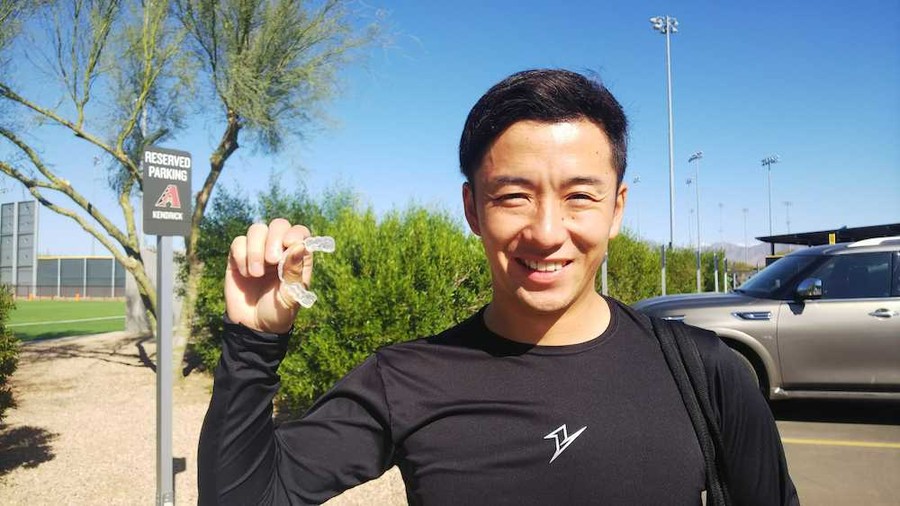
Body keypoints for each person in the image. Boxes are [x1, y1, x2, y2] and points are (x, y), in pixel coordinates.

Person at [198, 69, 799, 505]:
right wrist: (252, 342)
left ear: (616, 208)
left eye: (579, 196)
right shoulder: (406, 379)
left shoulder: (705, 372)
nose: (547, 232)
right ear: (473, 209)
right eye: (513, 196)